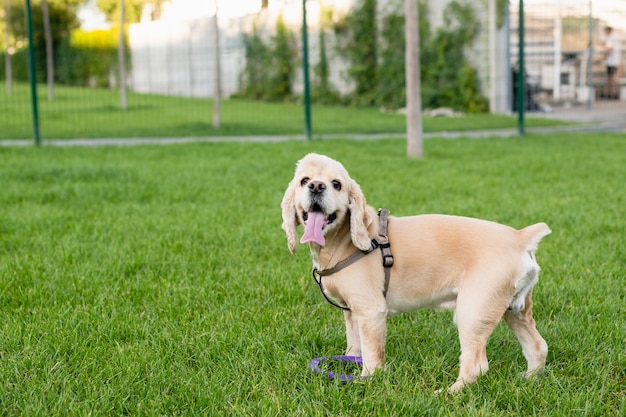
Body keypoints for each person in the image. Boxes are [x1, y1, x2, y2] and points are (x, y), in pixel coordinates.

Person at [601, 26, 621, 99]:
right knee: (610, 77)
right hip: (612, 61)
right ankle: (610, 94)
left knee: (612, 78)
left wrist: (604, 57)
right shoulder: (613, 38)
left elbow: (609, 49)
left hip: (612, 62)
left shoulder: (612, 38)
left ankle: (613, 94)